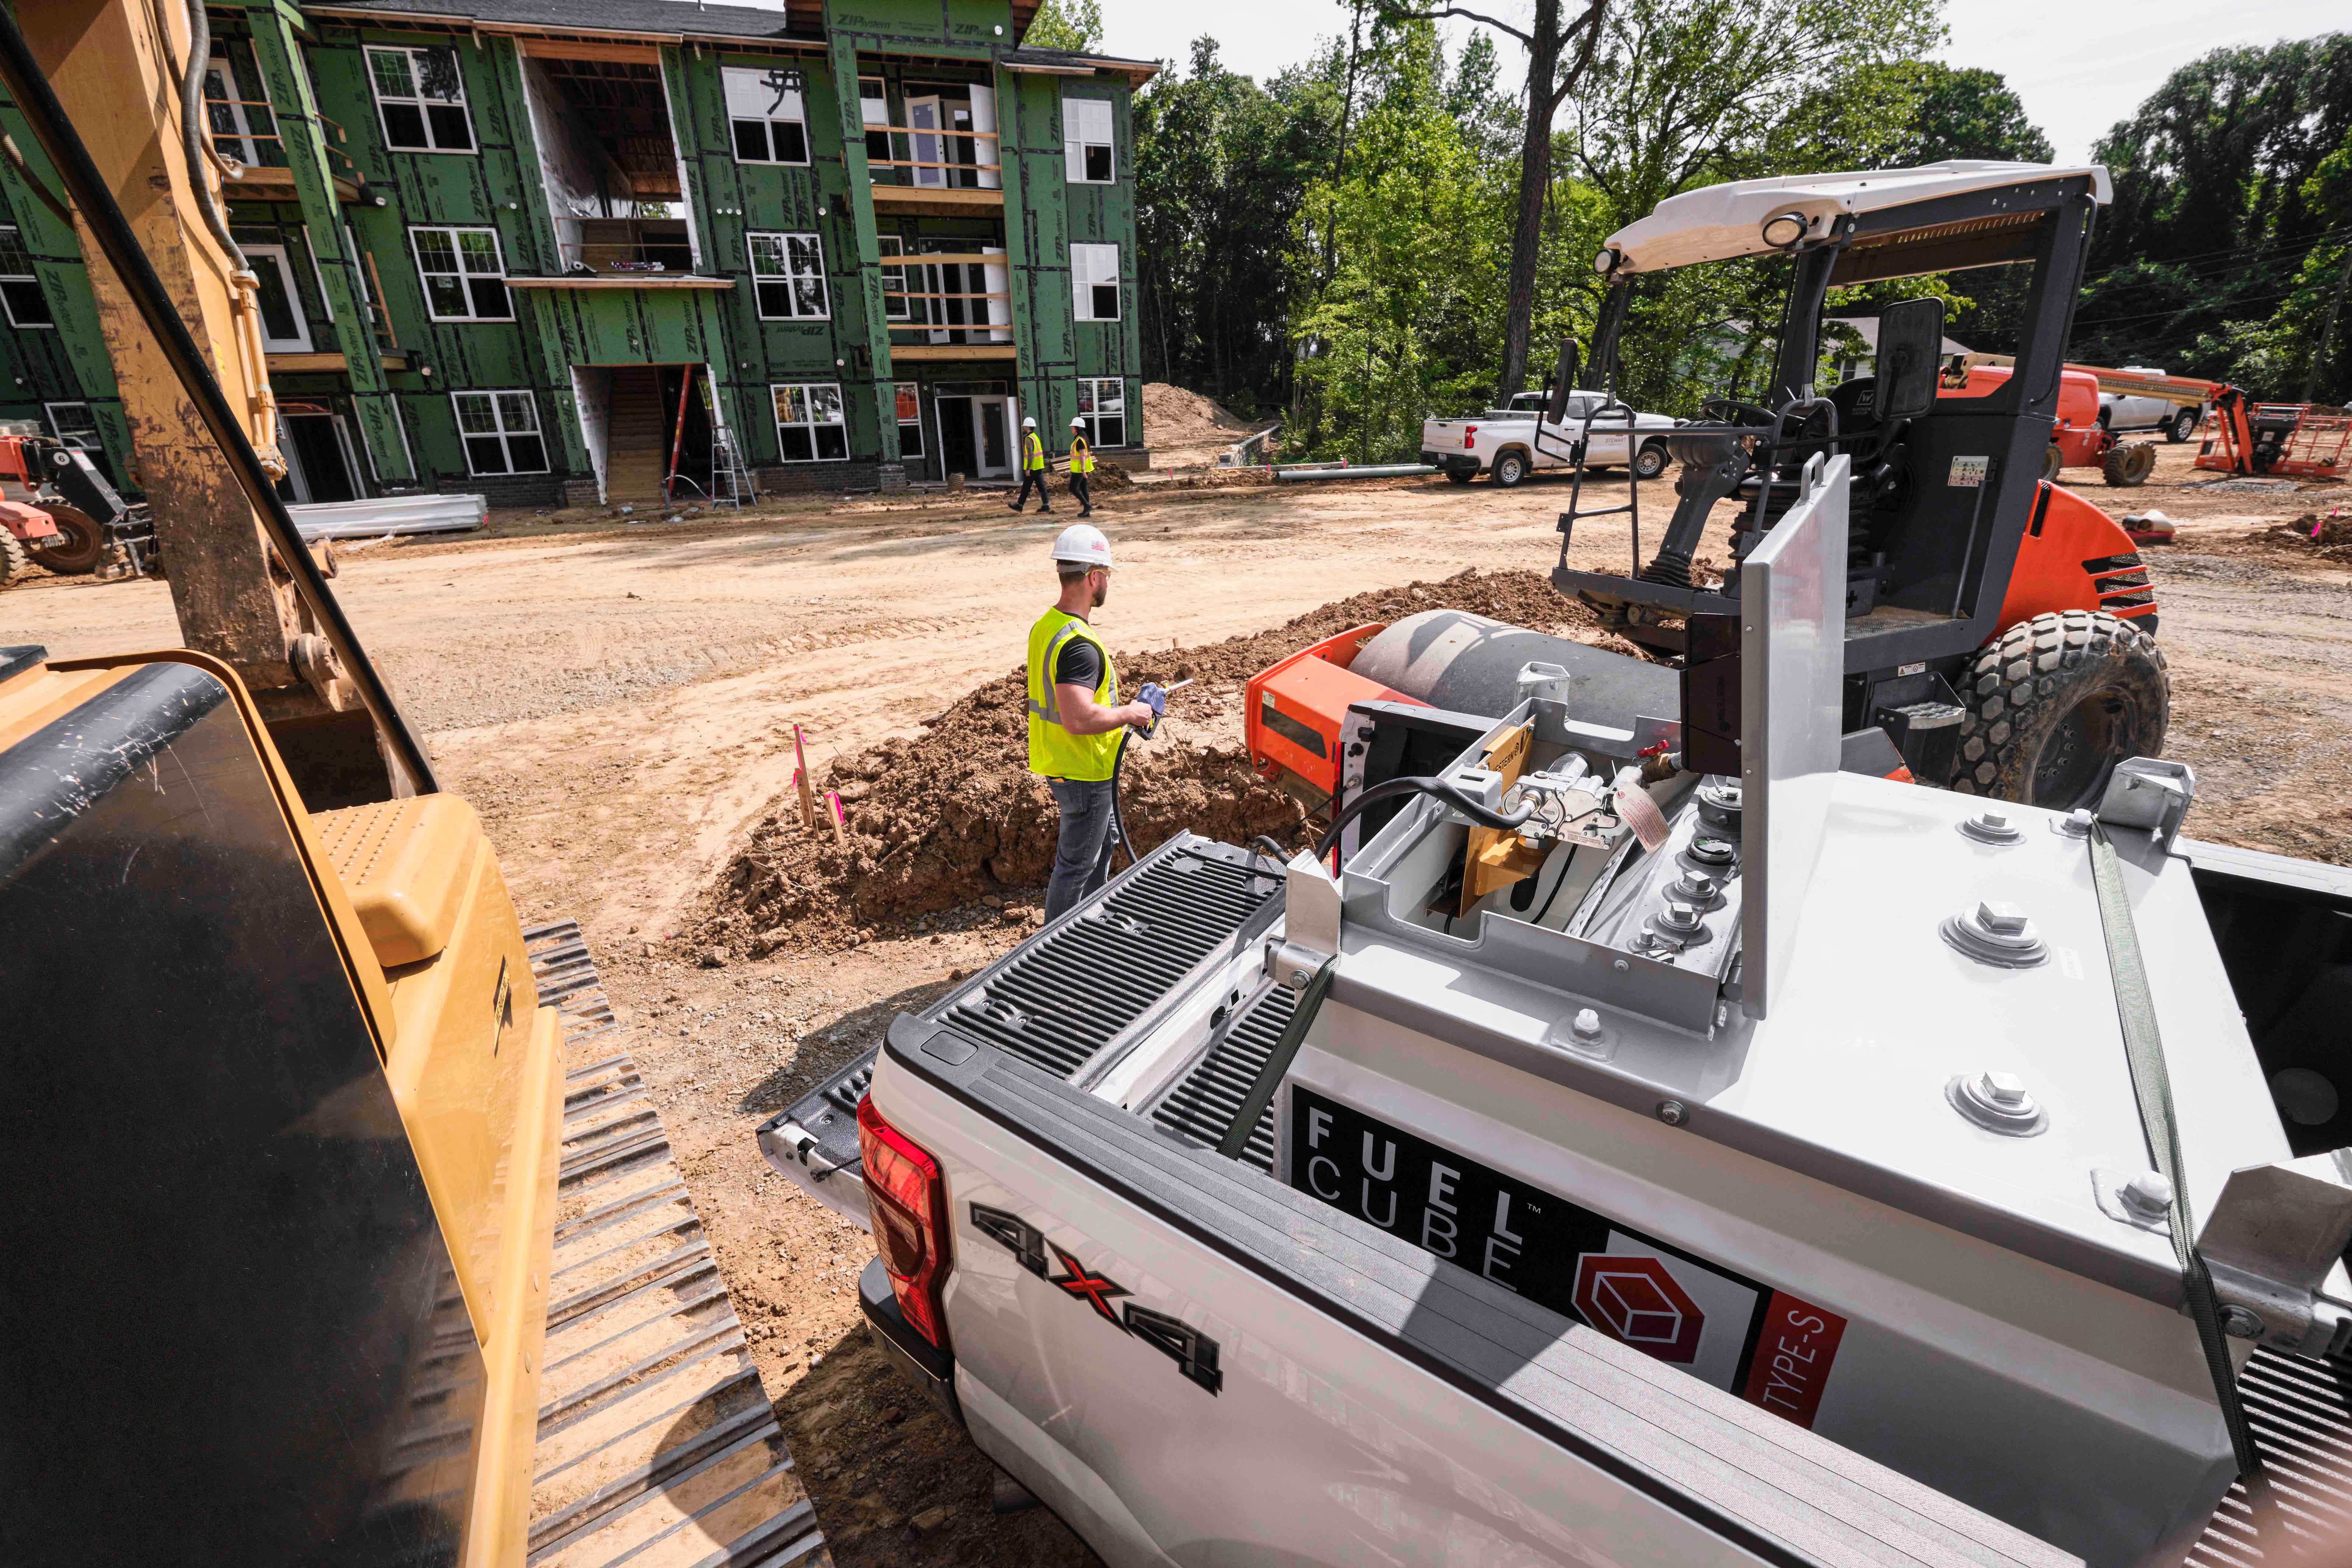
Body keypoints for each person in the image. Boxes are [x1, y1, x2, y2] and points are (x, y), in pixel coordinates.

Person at [1028, 523, 1156, 922]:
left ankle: (1089, 923)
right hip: (1084, 772)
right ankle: (1055, 953)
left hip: (1070, 764)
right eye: (1107, 578)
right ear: (1093, 577)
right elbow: (1079, 718)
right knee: (1076, 866)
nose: (1107, 585)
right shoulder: (1079, 646)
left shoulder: (1048, 626)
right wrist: (1132, 713)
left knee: (1106, 841)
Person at [1010, 415, 1052, 513]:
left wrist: (1028, 468)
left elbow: (1030, 455)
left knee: (1026, 487)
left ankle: (1020, 505)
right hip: (1039, 466)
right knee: (1041, 487)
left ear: (1027, 427)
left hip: (1033, 468)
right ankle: (1046, 505)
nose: (1024, 428)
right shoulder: (1035, 437)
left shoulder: (1029, 439)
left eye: (1024, 426)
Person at [1066, 416, 1094, 518]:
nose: (1071, 429)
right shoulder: (1082, 439)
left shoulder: (1080, 441)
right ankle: (1087, 512)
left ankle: (1087, 506)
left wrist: (1082, 469)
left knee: (1073, 488)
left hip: (1080, 469)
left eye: (1073, 427)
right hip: (1084, 468)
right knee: (1083, 488)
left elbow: (1083, 455)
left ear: (1077, 428)